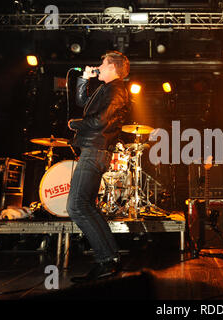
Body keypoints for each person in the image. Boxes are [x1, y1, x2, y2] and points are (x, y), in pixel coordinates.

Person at [66, 51, 130, 283]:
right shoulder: (107, 89)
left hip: (96, 151)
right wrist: (84, 79)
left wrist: (75, 124)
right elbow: (83, 102)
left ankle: (106, 260)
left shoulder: (116, 90)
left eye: (102, 64)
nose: (99, 67)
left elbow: (99, 121)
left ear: (113, 67)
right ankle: (109, 259)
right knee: (86, 206)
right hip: (95, 150)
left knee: (76, 206)